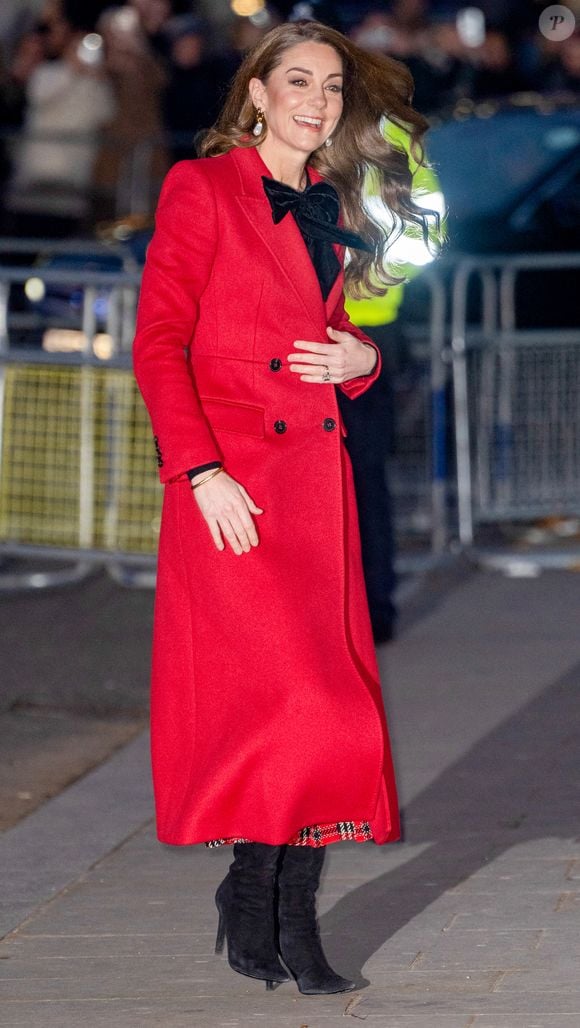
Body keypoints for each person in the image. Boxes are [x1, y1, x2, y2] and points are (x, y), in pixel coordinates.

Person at [133, 18, 431, 996]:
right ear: (256, 92)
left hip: (314, 492)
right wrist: (198, 472)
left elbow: (330, 335)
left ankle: (254, 893)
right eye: (296, 80)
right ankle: (284, 915)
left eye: (333, 86)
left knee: (323, 704)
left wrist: (364, 359)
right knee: (298, 705)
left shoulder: (326, 201)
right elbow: (160, 341)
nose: (317, 100)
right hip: (232, 492)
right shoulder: (201, 187)